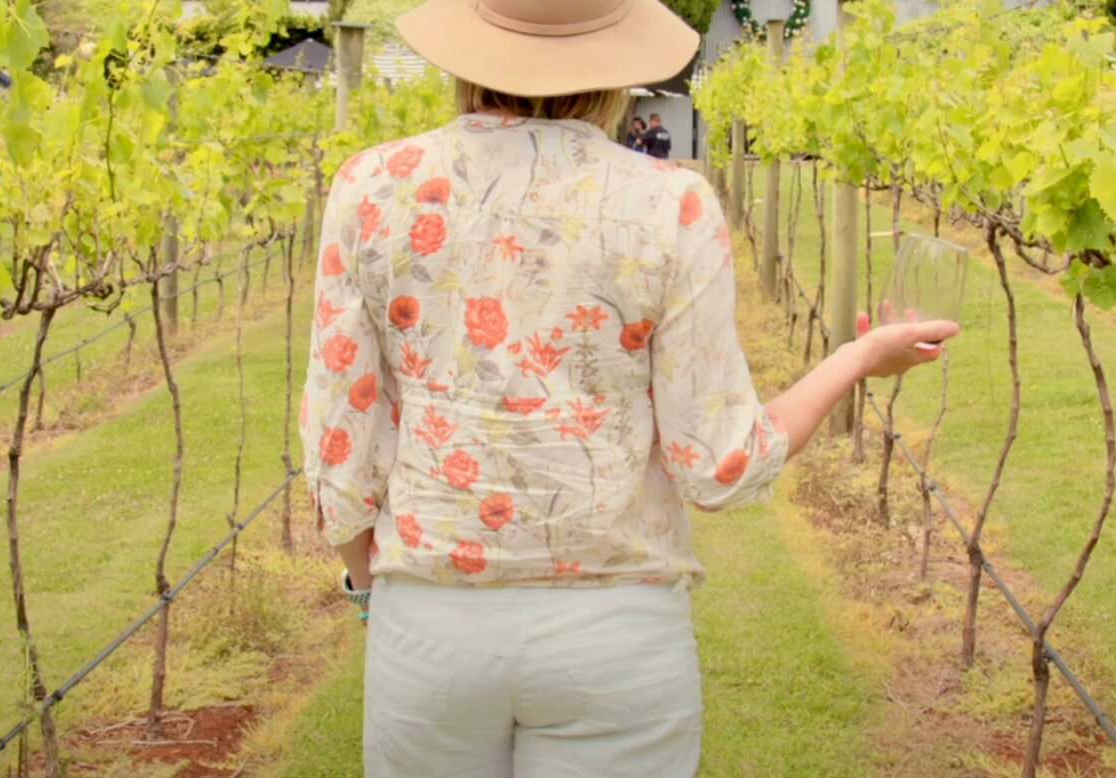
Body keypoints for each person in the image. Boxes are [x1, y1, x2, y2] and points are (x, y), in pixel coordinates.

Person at [298, 1, 960, 776]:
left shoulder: (372, 187)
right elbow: (718, 464)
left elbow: (342, 438)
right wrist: (853, 360)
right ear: (615, 64)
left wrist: (373, 589)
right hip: (616, 636)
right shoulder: (669, 203)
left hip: (432, 622)